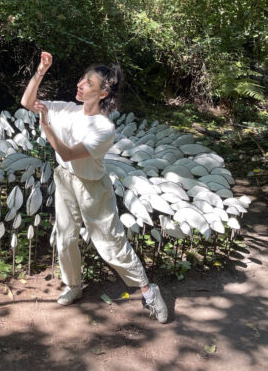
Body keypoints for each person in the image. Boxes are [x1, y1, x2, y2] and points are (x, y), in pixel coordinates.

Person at [21, 51, 168, 323]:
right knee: (64, 238)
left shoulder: (103, 128)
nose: (80, 83)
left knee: (110, 244)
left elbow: (67, 152)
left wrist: (46, 127)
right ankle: (73, 286)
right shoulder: (66, 109)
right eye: (82, 79)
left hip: (92, 187)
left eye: (88, 82)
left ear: (102, 93)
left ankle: (148, 290)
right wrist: (41, 70)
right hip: (64, 179)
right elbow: (26, 101)